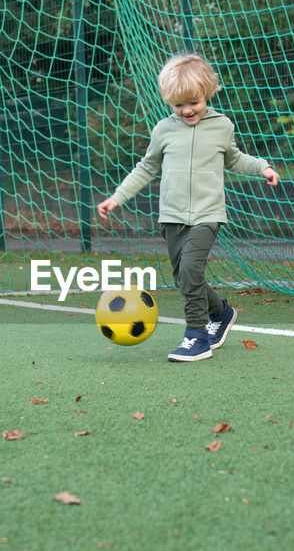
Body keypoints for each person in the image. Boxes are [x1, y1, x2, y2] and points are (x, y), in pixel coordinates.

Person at [97, 54, 281, 362]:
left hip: (208, 215)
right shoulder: (163, 130)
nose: (186, 110)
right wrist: (117, 198)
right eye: (178, 105)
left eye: (193, 102)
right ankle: (221, 313)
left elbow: (234, 158)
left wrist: (263, 167)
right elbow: (145, 168)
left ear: (208, 92)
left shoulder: (222, 126)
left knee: (191, 270)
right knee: (184, 277)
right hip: (171, 217)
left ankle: (196, 337)